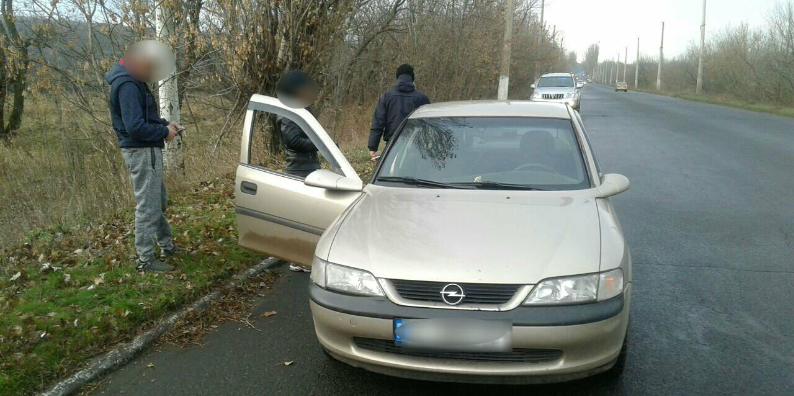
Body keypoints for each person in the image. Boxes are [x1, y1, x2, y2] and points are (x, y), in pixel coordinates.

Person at [106, 41, 182, 272]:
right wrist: (163, 133)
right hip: (141, 151)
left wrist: (164, 124)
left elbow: (143, 117)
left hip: (147, 150)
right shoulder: (127, 85)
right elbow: (135, 127)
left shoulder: (133, 80)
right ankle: (145, 260)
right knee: (147, 206)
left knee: (158, 201)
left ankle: (166, 245)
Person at [368, 64, 431, 159]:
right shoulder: (422, 98)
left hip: (392, 144)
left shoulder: (386, 97)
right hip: (416, 145)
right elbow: (429, 124)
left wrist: (373, 146)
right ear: (412, 78)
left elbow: (378, 123)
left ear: (397, 77)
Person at [275, 70, 321, 178]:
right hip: (299, 170)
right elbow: (293, 141)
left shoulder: (300, 108)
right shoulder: (289, 110)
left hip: (308, 167)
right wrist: (319, 144)